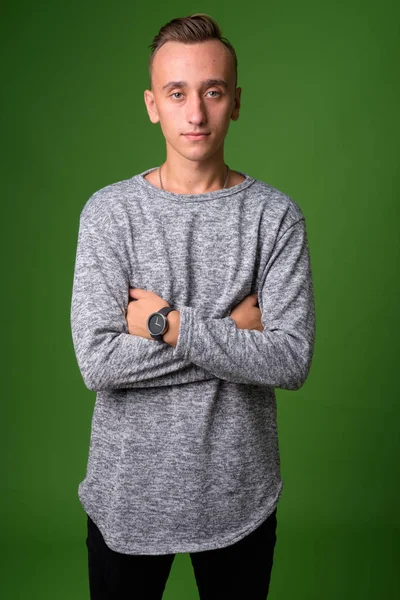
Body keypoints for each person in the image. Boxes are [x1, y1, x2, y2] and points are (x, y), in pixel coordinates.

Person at [70, 12, 316, 600]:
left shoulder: (274, 217)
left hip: (240, 494)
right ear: (153, 104)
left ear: (236, 101)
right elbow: (97, 362)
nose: (196, 112)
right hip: (127, 496)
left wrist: (165, 325)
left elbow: (290, 360)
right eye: (178, 93)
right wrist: (229, 333)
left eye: (213, 91)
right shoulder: (110, 214)